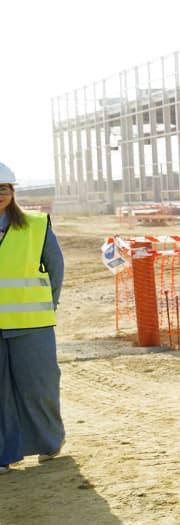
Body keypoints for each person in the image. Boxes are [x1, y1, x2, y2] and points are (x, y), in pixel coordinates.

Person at [0, 162, 66, 473]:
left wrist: (46, 306)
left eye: (4, 188)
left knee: (40, 387)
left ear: (13, 191)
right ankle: (5, 453)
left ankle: (49, 442)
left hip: (32, 324)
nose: (0, 194)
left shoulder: (36, 225)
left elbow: (55, 269)